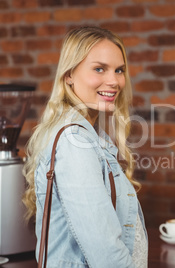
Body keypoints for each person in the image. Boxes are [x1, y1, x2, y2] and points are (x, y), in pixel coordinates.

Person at [22, 26, 147, 267]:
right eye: (99, 69)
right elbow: (105, 250)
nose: (114, 81)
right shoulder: (74, 141)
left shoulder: (90, 136)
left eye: (119, 70)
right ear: (69, 74)